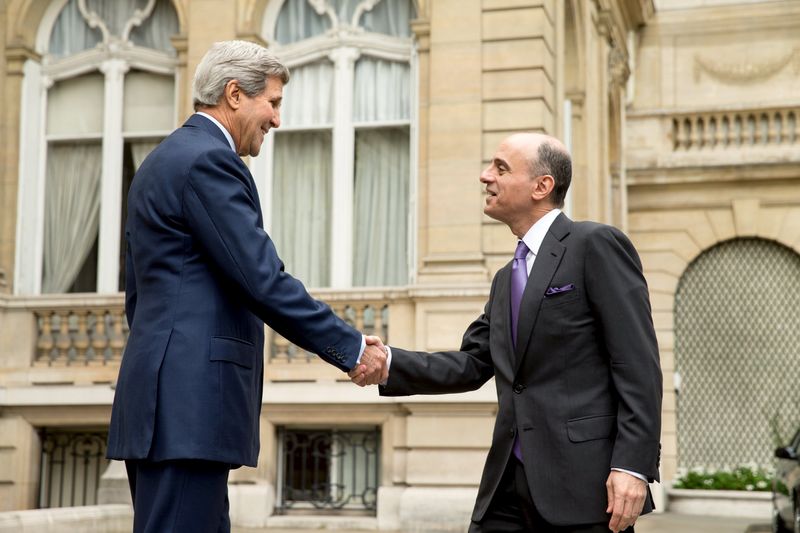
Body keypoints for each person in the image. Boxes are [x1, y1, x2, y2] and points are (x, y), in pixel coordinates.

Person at [107, 40, 387, 533]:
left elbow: (140, 298)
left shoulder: (163, 159)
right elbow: (262, 279)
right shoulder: (208, 161)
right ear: (235, 94)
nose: (277, 119)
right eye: (273, 103)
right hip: (187, 410)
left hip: (166, 405)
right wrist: (349, 346)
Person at [352, 133, 662, 533]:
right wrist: (388, 362)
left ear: (541, 186)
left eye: (500, 168)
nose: (485, 177)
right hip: (507, 487)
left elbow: (637, 363)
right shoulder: (506, 279)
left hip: (584, 488)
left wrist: (632, 465)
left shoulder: (594, 244)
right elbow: (472, 363)